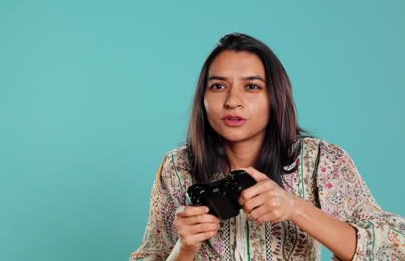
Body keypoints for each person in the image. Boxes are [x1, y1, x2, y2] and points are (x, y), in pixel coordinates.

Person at [130, 33, 405, 261]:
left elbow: (395, 248)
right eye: (217, 86)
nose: (232, 101)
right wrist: (185, 247)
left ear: (275, 96)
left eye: (251, 86)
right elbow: (151, 255)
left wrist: (296, 209)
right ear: (202, 97)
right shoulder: (178, 167)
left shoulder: (320, 161)